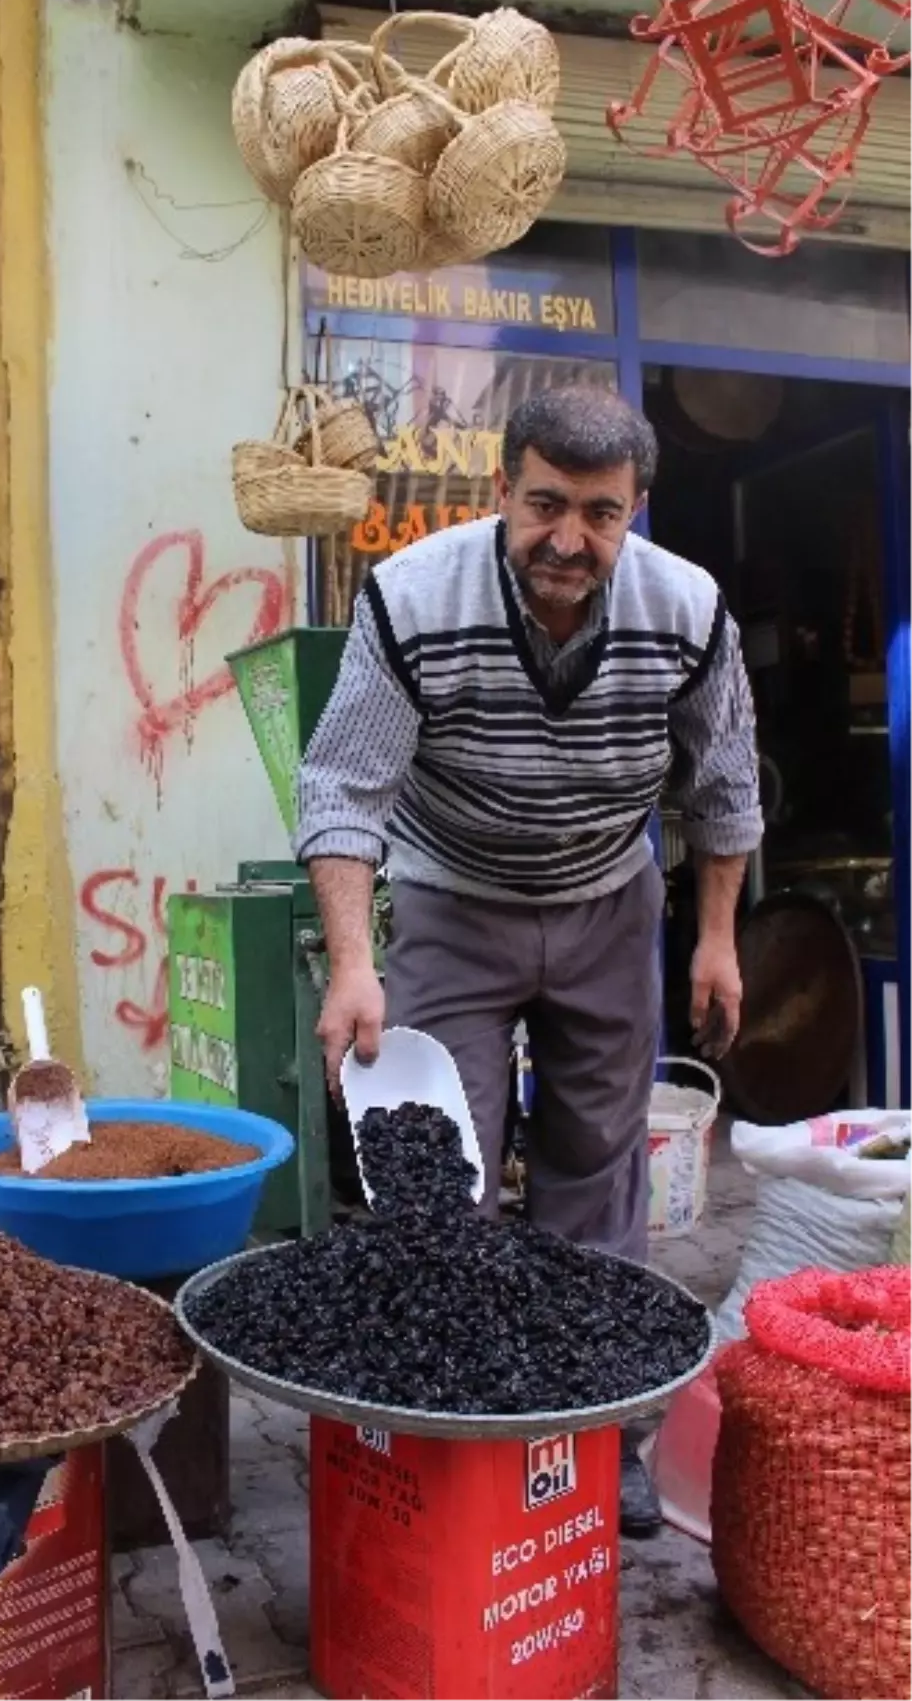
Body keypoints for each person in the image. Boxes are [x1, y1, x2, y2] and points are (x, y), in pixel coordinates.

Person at [295, 384, 762, 1535]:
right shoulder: (413, 597)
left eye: (601, 514)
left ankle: (599, 1432)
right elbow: (344, 787)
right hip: (454, 895)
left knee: (598, 1165)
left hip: (608, 900)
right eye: (545, 504)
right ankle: (445, 1425)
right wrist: (354, 962)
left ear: (633, 510)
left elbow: (723, 786)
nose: (569, 539)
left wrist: (714, 938)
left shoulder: (688, 609)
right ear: (502, 488)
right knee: (439, 1171)